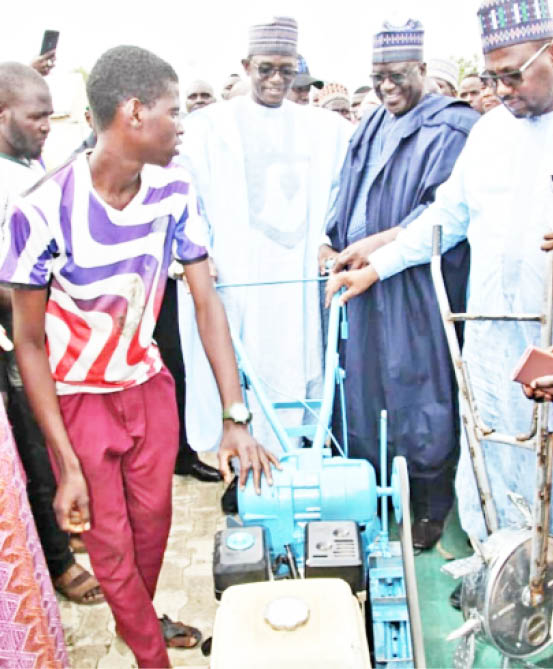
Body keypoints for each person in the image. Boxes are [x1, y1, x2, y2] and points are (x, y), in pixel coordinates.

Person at [0, 45, 277, 668]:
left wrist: (236, 416)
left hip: (150, 392)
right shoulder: (40, 210)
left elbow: (207, 303)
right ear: (132, 112)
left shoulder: (176, 191)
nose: (182, 126)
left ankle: (138, 624)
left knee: (150, 537)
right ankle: (151, 655)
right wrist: (65, 461)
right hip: (77, 402)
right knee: (111, 547)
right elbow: (31, 342)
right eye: (172, 111)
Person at [326, 0, 553, 572]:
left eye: (514, 74)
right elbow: (445, 217)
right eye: (493, 76)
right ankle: (496, 566)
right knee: (492, 450)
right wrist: (377, 266)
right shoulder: (491, 133)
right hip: (489, 332)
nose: (501, 90)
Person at [320, 19, 479, 550]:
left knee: (420, 390)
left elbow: (445, 214)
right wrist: (329, 241)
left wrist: (378, 249)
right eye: (378, 77)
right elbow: (346, 191)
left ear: (423, 71)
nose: (387, 87)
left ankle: (432, 506)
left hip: (416, 287)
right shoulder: (369, 123)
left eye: (397, 76)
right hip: (364, 287)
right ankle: (378, 492)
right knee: (366, 391)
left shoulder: (454, 127)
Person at [177, 17, 352, 458]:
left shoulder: (324, 128)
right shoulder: (208, 127)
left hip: (293, 281)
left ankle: (295, 462)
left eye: (286, 71)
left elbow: (340, 194)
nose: (276, 80)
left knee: (295, 365)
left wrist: (327, 241)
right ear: (246, 64)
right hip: (234, 276)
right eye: (266, 69)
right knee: (238, 364)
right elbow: (185, 193)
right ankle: (241, 461)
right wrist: (199, 253)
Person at [0, 61, 103, 604]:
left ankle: (62, 527)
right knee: (35, 446)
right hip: (16, 328)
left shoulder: (28, 164)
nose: (46, 125)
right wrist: (42, 292)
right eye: (36, 116)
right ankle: (59, 563)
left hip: (47, 322)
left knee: (55, 430)